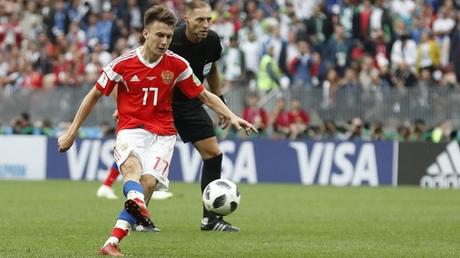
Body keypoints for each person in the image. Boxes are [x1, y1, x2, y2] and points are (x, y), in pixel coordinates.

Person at [57, 5, 257, 256]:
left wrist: (232, 115)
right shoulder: (123, 64)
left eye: (169, 37)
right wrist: (72, 131)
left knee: (148, 183)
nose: (165, 42)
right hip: (131, 130)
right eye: (160, 35)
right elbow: (94, 95)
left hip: (163, 134)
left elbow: (204, 95)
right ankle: (123, 225)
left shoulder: (176, 65)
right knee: (132, 170)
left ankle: (115, 238)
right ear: (145, 33)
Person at [97, 0, 243, 232]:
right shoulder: (169, 38)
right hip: (160, 104)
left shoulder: (213, 41)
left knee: (213, 153)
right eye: (200, 20)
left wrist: (221, 101)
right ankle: (138, 218)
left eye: (209, 20)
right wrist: (124, 106)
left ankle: (211, 219)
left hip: (191, 101)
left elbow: (210, 68)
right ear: (187, 20)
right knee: (144, 167)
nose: (206, 24)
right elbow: (134, 67)